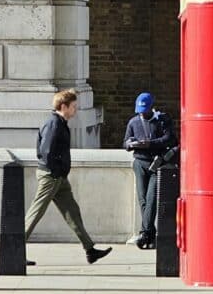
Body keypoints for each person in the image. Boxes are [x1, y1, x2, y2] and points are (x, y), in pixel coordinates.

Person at [25, 89, 112, 265]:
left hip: (58, 176)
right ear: (63, 106)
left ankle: (90, 250)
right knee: (36, 212)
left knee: (72, 211)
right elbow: (46, 151)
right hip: (52, 176)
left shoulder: (60, 122)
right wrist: (56, 171)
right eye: (73, 106)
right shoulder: (54, 124)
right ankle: (13, 250)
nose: (76, 110)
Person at [123, 92, 173, 249]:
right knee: (142, 199)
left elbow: (168, 139)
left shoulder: (162, 120)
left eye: (145, 110)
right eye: (140, 111)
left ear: (152, 107)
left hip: (155, 163)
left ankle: (144, 232)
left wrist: (149, 144)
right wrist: (131, 144)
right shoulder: (133, 122)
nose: (142, 113)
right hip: (139, 162)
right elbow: (125, 142)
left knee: (151, 199)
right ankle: (150, 234)